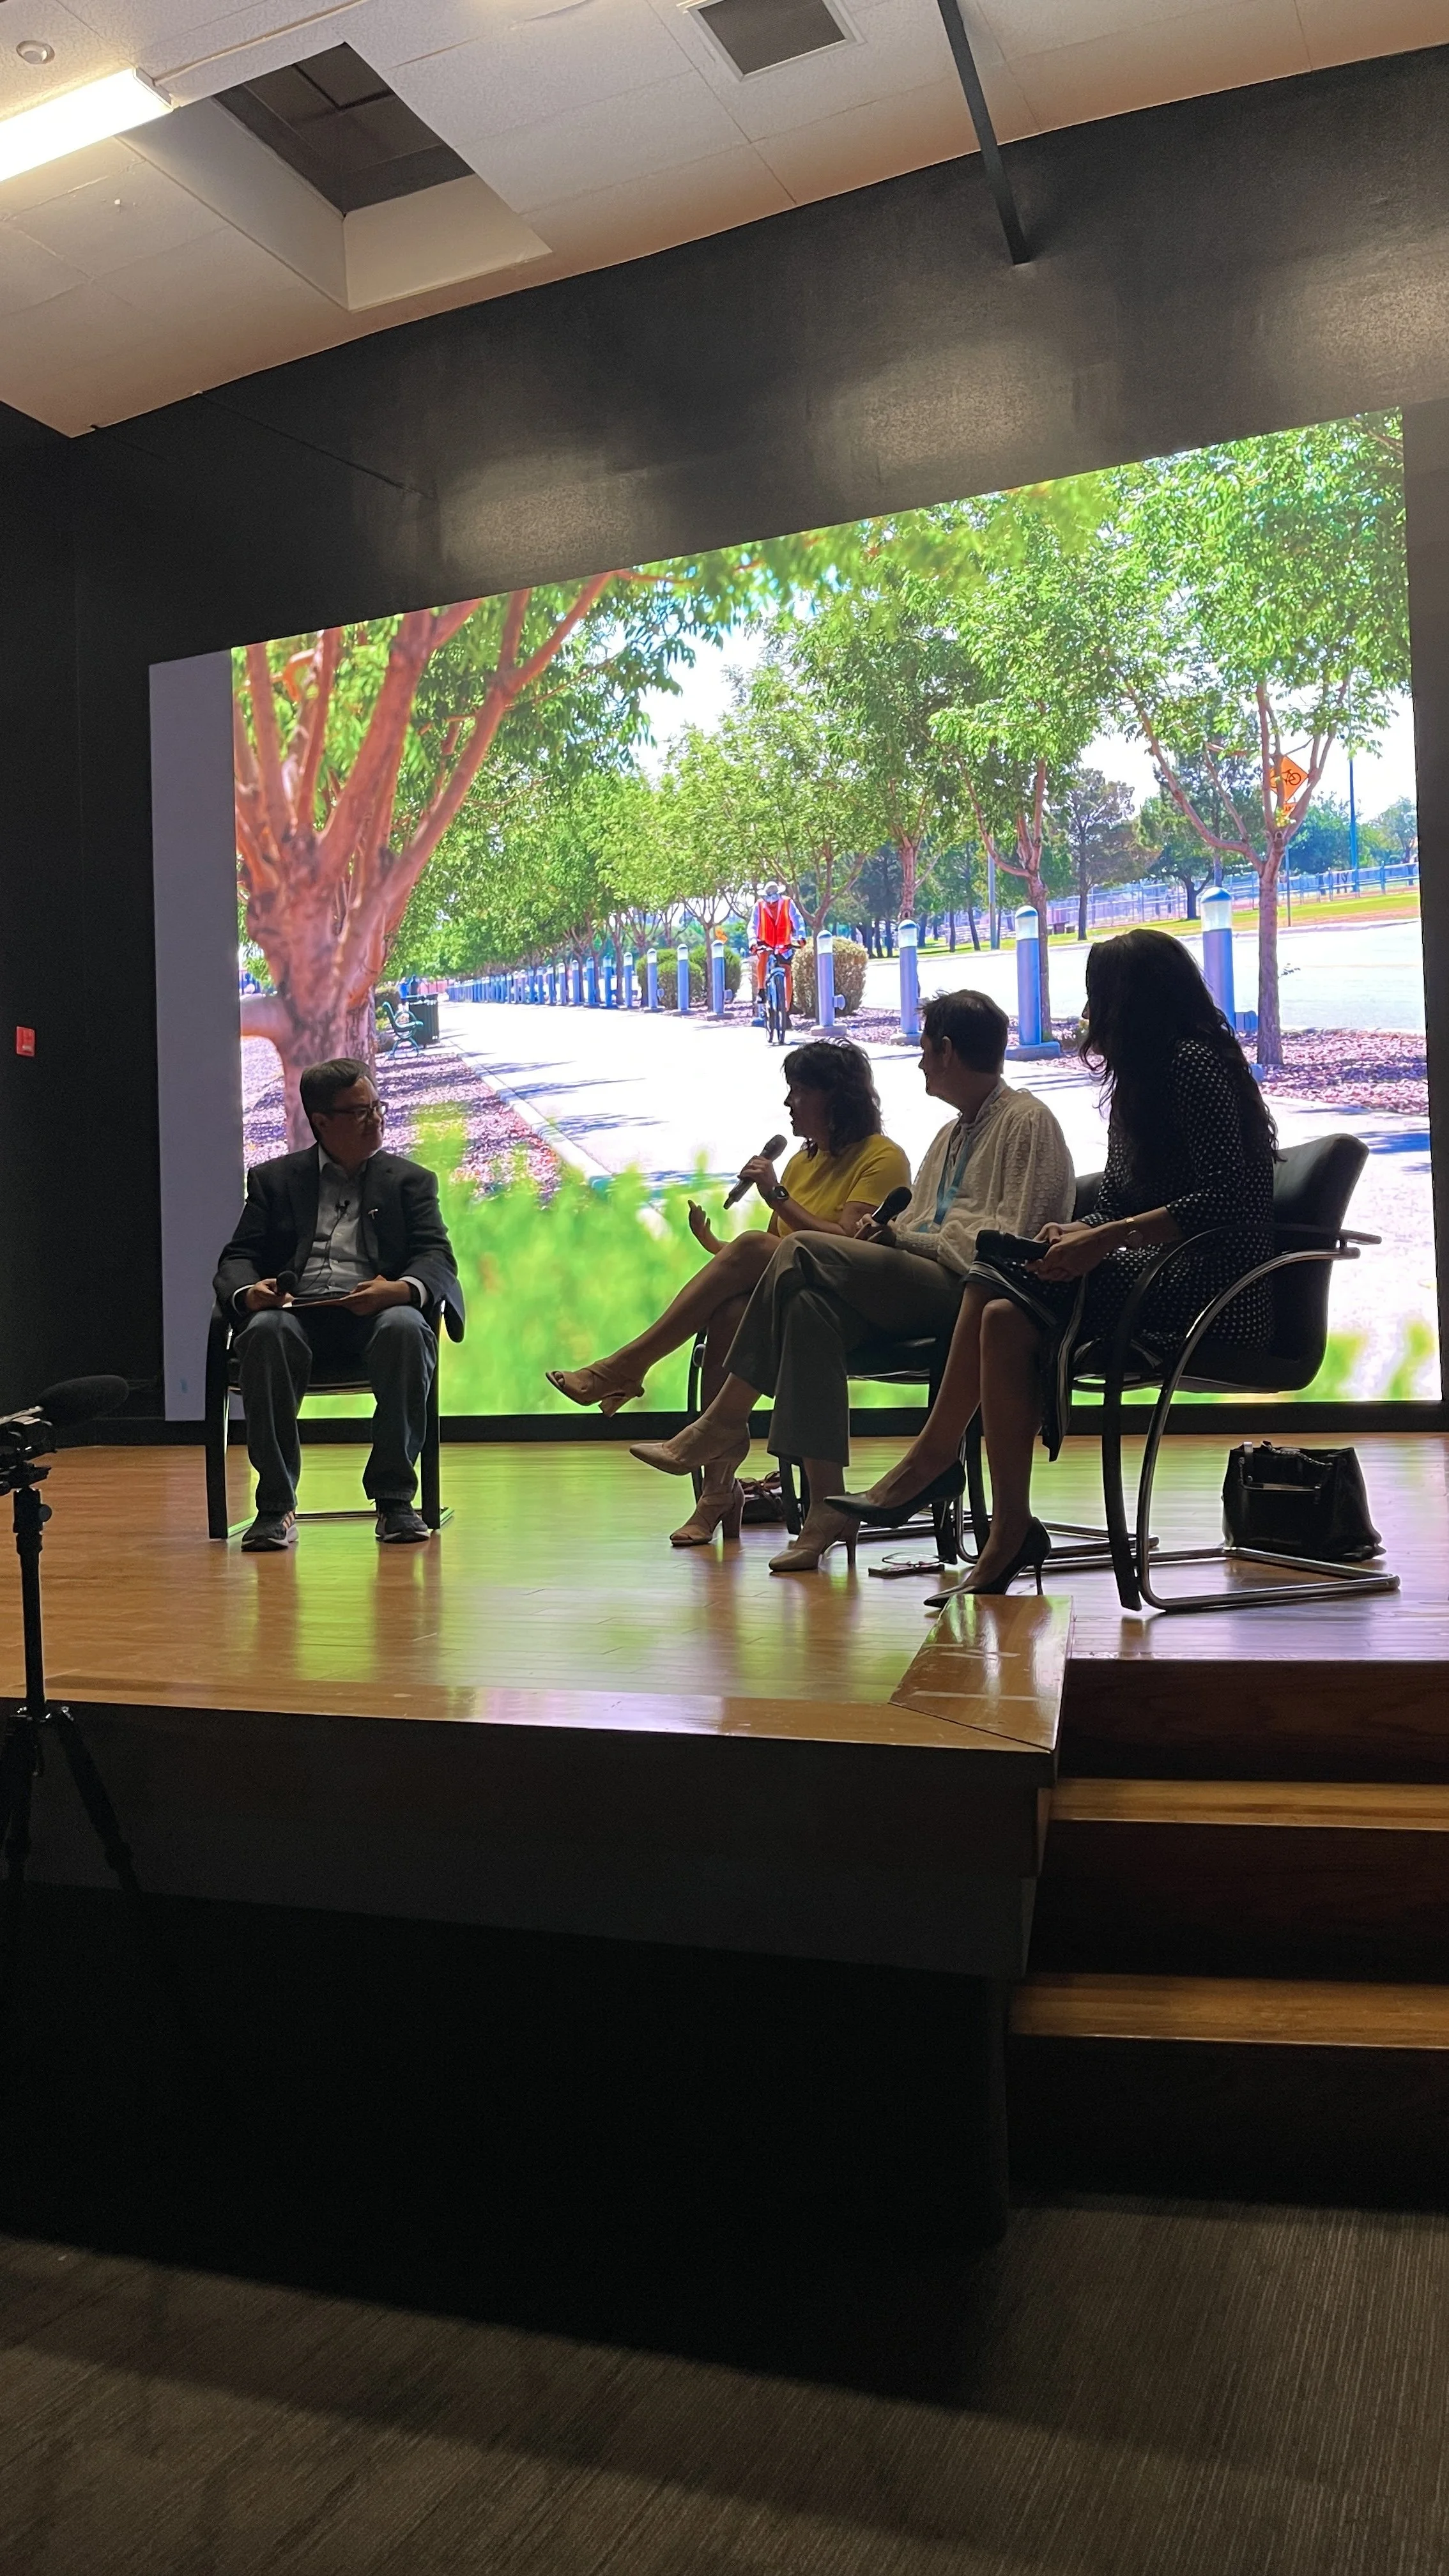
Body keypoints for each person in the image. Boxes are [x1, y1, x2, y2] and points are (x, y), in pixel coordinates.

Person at [832, 928, 1278, 1595]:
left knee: (993, 1277)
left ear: (1132, 999)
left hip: (1212, 1283)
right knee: (1004, 1314)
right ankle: (1010, 1529)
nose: (1090, 1012)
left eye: (1100, 995)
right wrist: (1079, 1230)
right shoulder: (1144, 1077)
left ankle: (931, 1459)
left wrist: (1106, 1237)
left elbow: (1232, 1197)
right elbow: (1124, 1202)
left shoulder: (1192, 1065)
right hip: (1159, 1268)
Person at [628, 990, 1075, 1571]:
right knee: (809, 1306)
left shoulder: (1027, 1120)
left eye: (923, 1048)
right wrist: (886, 1235)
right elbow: (915, 1221)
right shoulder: (950, 1134)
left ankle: (721, 1421)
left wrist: (899, 1239)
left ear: (947, 1050)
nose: (918, 1062)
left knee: (800, 1253)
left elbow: (1010, 1241)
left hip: (969, 1292)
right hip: (917, 1279)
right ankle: (824, 1512)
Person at [546, 1041, 910, 1545]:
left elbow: (848, 1245)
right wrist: (716, 1247)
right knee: (732, 1310)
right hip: (787, 1293)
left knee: (747, 1275)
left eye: (799, 1092)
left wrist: (777, 1195)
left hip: (845, 1306)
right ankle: (718, 1492)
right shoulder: (804, 1162)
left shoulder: (883, 1157)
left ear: (835, 1097)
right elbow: (772, 1250)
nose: (788, 1104)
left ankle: (626, 1370)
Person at [215, 1057, 464, 1551]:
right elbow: (238, 1257)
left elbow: (436, 1257)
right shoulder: (275, 1180)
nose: (376, 1119)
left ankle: (395, 1500)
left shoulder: (409, 1181)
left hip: (375, 1315)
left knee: (405, 1327)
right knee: (263, 1331)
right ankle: (275, 1506)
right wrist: (252, 1293)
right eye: (360, 1112)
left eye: (377, 1106)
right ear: (322, 1122)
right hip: (298, 1319)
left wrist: (401, 1289)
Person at [749, 882, 806, 1013]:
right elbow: (753, 925)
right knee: (762, 956)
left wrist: (801, 936)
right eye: (768, 899)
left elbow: (797, 919)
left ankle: (787, 1008)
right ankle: (761, 990)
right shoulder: (759, 906)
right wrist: (753, 941)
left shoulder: (787, 903)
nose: (771, 903)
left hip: (784, 943)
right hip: (765, 942)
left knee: (787, 971)